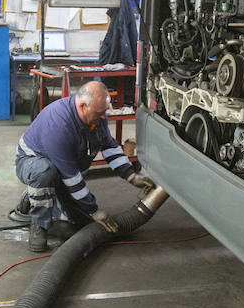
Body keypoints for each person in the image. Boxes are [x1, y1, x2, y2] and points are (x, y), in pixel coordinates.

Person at [11, 81, 153, 252]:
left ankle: (41, 193)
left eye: (104, 112)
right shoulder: (59, 125)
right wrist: (94, 210)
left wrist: (131, 175)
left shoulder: (96, 115)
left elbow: (109, 146)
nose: (103, 117)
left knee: (78, 221)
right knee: (45, 172)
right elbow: (71, 177)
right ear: (83, 105)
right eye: (100, 113)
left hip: (64, 168)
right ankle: (39, 224)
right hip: (32, 162)